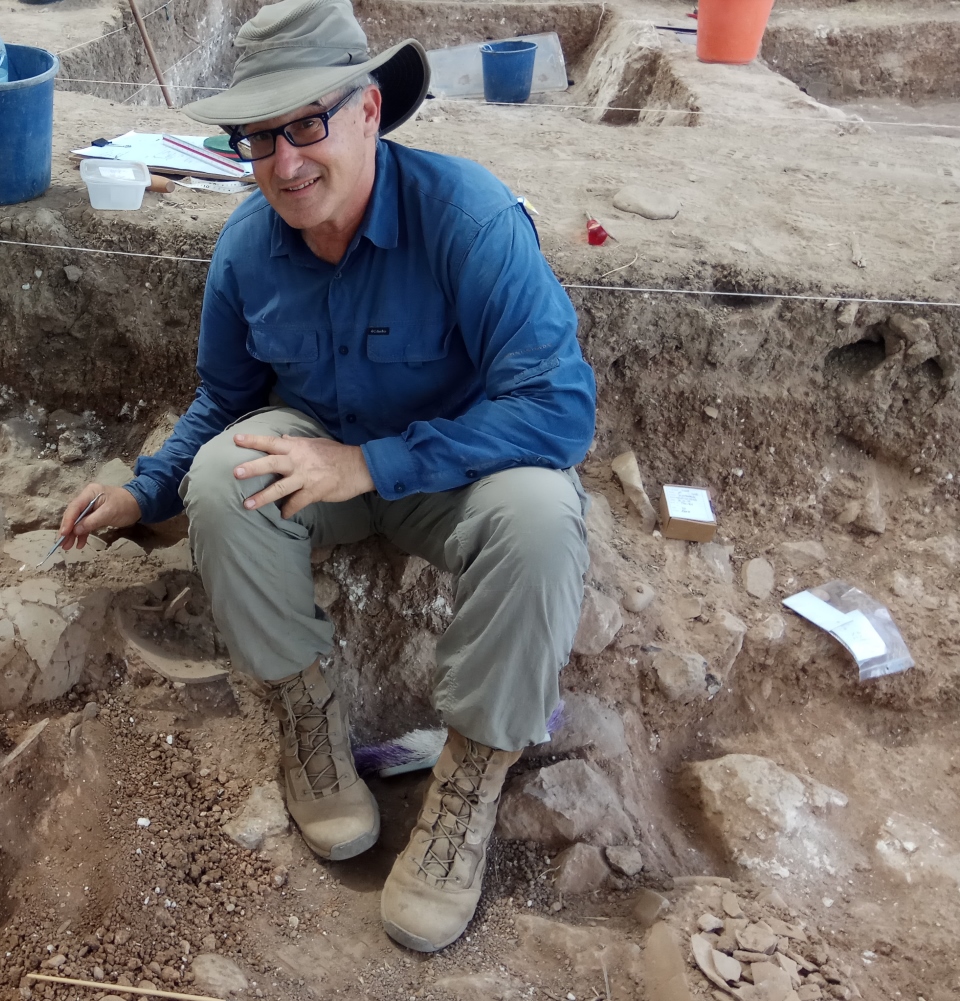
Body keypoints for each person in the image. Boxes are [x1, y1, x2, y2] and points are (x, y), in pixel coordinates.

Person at [55, 0, 596, 952]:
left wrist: (368, 463)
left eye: (306, 125)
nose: (285, 163)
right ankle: (310, 724)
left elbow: (560, 409)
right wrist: (146, 489)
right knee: (223, 476)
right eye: (259, 138)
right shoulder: (246, 248)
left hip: (452, 475)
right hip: (319, 467)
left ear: (369, 111)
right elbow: (223, 401)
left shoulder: (469, 221)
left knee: (545, 516)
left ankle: (466, 786)